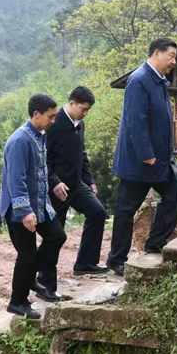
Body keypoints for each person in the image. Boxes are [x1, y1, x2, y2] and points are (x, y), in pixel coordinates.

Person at [106, 37, 177, 276]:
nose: (174, 61)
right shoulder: (139, 80)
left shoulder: (159, 81)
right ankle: (116, 260)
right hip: (140, 162)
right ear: (156, 53)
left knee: (173, 194)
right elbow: (135, 121)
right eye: (171, 56)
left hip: (159, 161)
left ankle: (154, 245)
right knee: (126, 209)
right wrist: (146, 153)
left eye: (175, 57)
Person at [0, 93, 67, 319]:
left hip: (39, 202)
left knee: (57, 236)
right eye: (50, 116)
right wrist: (25, 211)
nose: (53, 121)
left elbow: (40, 172)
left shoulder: (39, 135)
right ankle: (17, 302)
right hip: (19, 207)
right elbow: (16, 180)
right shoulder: (19, 140)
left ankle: (30, 279)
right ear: (36, 114)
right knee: (26, 256)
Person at [37, 86, 109, 291]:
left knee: (98, 213)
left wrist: (89, 179)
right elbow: (44, 158)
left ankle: (85, 262)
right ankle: (45, 279)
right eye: (83, 108)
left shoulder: (80, 124)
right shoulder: (53, 123)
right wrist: (55, 181)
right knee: (55, 235)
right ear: (71, 103)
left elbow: (82, 154)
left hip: (76, 184)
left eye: (88, 110)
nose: (85, 113)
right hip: (57, 189)